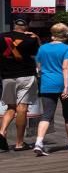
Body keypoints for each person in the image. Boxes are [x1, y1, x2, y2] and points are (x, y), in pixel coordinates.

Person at [32, 23, 68, 155]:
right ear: (65, 35)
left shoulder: (43, 49)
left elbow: (39, 66)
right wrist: (65, 87)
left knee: (47, 114)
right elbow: (65, 67)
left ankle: (39, 143)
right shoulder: (67, 49)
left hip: (47, 83)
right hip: (66, 84)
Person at [1, 17, 41, 152]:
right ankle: (19, 143)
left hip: (7, 77)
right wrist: (37, 38)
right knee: (22, 108)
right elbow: (38, 54)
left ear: (13, 24)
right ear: (27, 26)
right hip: (25, 76)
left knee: (11, 107)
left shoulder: (1, 37)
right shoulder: (31, 39)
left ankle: (2, 132)